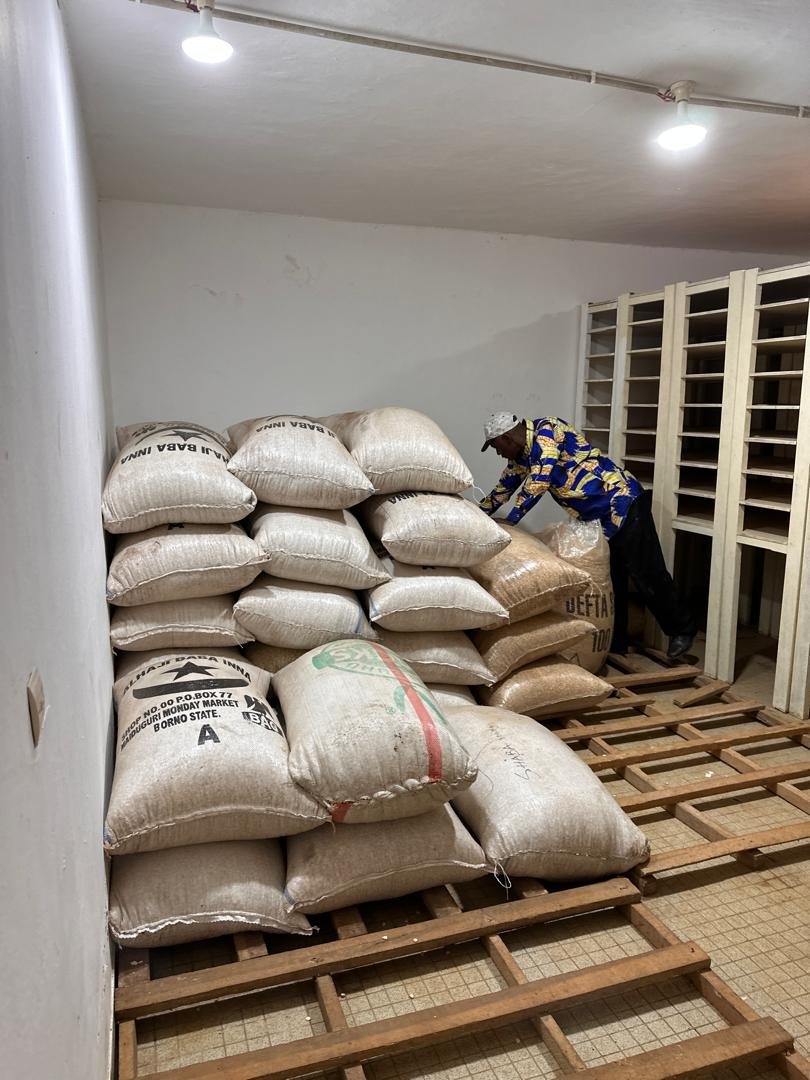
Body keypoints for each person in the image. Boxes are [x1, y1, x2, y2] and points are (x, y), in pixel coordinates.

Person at [479, 412, 696, 660]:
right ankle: (616, 642)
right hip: (600, 520)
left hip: (622, 503)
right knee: (612, 581)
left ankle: (682, 629)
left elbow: (538, 482)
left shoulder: (546, 431)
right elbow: (503, 489)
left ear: (507, 438)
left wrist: (511, 522)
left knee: (647, 572)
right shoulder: (522, 456)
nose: (499, 453)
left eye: (497, 447)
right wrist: (476, 514)